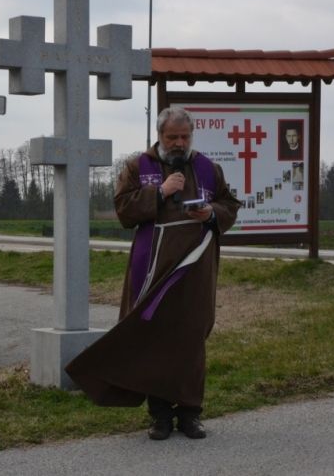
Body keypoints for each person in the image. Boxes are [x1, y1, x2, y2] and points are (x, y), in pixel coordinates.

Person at [65, 107, 241, 441]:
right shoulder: (138, 167)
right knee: (154, 337)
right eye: (172, 137)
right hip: (153, 268)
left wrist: (211, 213)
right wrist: (160, 192)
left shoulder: (208, 168)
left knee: (190, 339)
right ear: (159, 135)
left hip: (195, 270)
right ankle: (159, 416)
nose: (179, 143)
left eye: (184, 137)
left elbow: (229, 205)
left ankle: (190, 414)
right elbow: (123, 209)